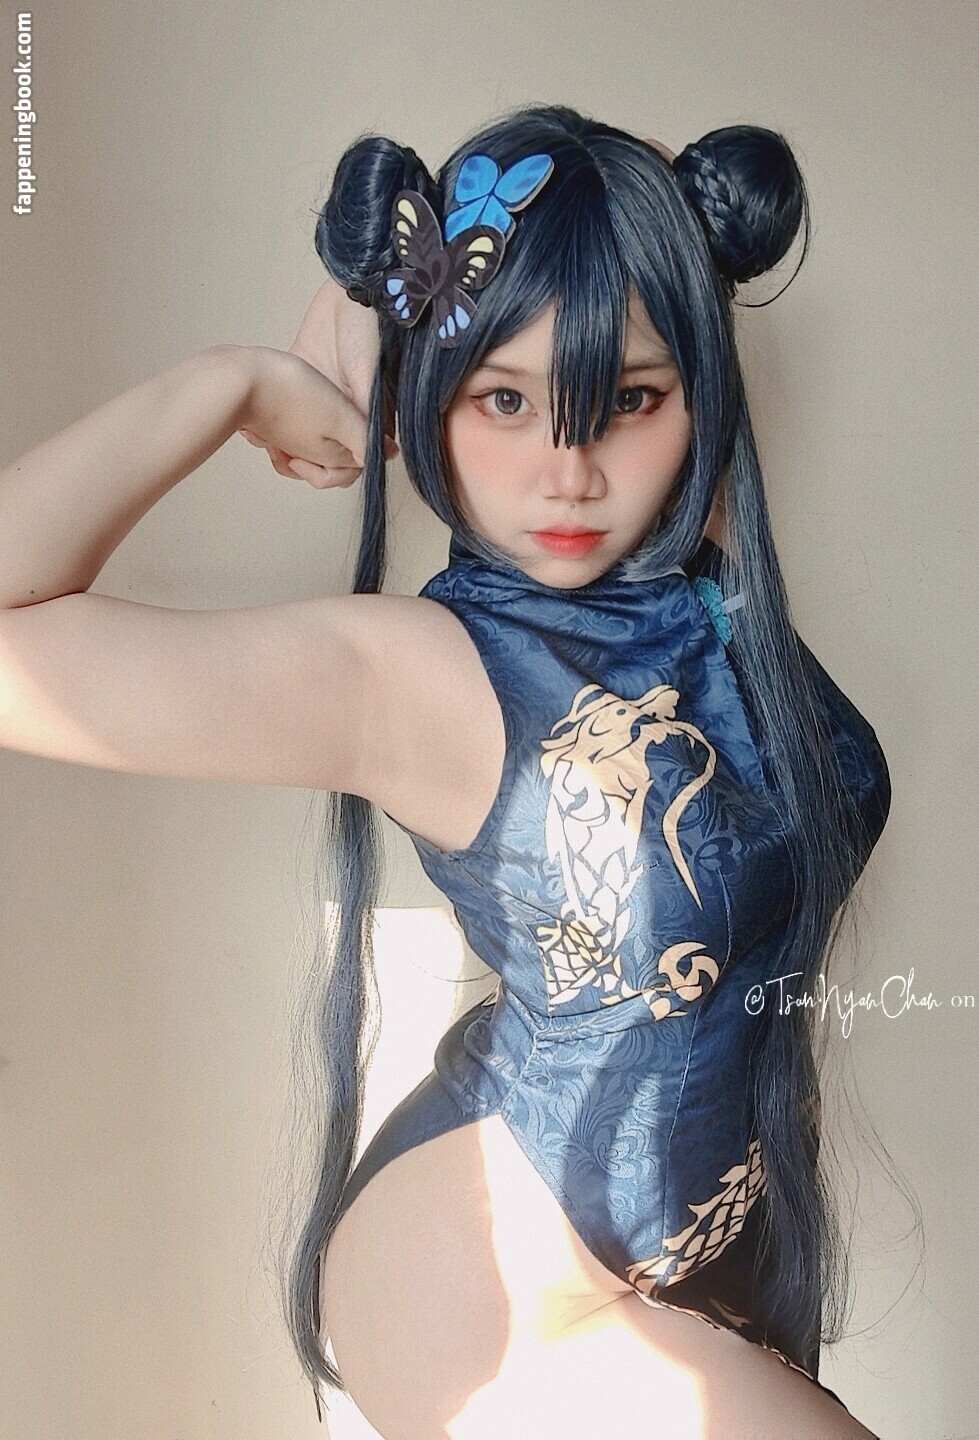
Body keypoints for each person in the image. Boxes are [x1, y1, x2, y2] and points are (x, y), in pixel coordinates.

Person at [0, 106, 891, 1439]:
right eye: (504, 400)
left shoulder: (700, 582)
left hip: (714, 1256)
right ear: (433, 396)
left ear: (694, 394)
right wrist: (234, 382)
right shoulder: (417, 672)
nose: (569, 473)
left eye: (629, 400)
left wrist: (404, 294)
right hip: (493, 1280)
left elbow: (641, 239)